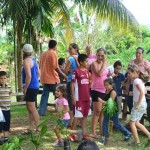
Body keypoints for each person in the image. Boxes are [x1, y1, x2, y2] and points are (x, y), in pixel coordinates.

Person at [98, 78, 131, 145]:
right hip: (108, 109)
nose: (106, 86)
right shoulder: (107, 91)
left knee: (116, 123)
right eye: (105, 85)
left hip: (112, 110)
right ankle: (105, 136)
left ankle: (127, 133)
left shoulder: (113, 92)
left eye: (107, 85)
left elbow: (110, 102)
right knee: (106, 122)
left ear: (111, 85)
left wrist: (101, 101)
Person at [38, 40, 66, 116]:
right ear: (55, 46)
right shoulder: (53, 53)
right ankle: (59, 110)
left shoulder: (43, 54)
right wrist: (64, 75)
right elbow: (56, 67)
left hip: (44, 78)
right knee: (59, 94)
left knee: (45, 95)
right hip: (52, 78)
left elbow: (40, 66)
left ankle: (41, 111)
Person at [69, 54, 91, 140]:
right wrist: (73, 96)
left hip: (87, 98)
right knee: (77, 116)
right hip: (79, 98)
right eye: (86, 61)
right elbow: (72, 84)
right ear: (81, 62)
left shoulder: (87, 71)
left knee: (85, 116)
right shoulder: (76, 71)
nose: (87, 63)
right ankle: (71, 134)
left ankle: (84, 134)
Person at [127, 64, 150, 146]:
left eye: (129, 73)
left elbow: (142, 92)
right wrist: (133, 94)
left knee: (132, 123)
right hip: (143, 104)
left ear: (134, 72)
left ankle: (137, 142)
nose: (128, 75)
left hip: (139, 104)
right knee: (136, 122)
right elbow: (143, 92)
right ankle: (149, 135)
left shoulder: (136, 80)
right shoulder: (139, 80)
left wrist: (137, 105)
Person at [21, 44, 40, 134]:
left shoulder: (26, 61)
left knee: (32, 108)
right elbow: (38, 73)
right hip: (35, 85)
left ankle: (38, 128)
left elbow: (29, 76)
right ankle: (31, 128)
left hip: (31, 86)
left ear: (23, 52)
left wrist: (25, 88)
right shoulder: (34, 60)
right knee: (29, 108)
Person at [90, 48, 108, 137]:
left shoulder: (104, 64)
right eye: (98, 55)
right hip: (96, 90)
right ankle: (93, 132)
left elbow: (106, 75)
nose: (100, 57)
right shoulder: (94, 63)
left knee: (102, 113)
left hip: (104, 90)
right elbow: (99, 74)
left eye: (102, 55)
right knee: (97, 111)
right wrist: (104, 63)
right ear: (96, 55)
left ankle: (101, 131)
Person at [64, 43, 79, 126]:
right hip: (78, 81)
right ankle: (77, 120)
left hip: (70, 81)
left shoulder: (71, 58)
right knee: (77, 99)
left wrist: (68, 71)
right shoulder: (79, 57)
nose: (69, 51)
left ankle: (71, 121)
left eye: (70, 49)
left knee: (70, 100)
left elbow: (65, 70)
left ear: (76, 48)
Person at [0, 71, 12, 145]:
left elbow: (11, 92)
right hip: (1, 110)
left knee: (7, 123)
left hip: (7, 109)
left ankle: (6, 138)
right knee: (0, 123)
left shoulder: (9, 87)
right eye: (1, 78)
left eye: (4, 78)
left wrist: (10, 97)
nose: (3, 80)